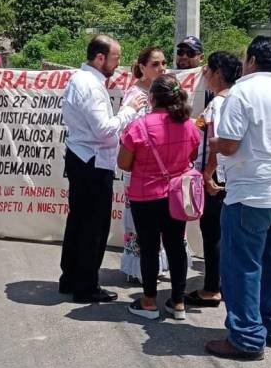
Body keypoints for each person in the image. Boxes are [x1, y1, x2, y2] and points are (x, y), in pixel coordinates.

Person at [205, 36, 271, 361]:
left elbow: (229, 145)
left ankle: (246, 337)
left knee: (242, 267)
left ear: (252, 60)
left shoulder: (242, 93)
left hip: (250, 194)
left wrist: (214, 144)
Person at [59, 35, 146, 304]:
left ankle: (71, 277)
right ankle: (86, 286)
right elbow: (104, 130)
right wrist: (129, 111)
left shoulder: (81, 79)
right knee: (93, 226)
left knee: (78, 222)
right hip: (93, 162)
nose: (118, 64)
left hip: (83, 157)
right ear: (100, 58)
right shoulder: (90, 85)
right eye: (115, 58)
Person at [117, 74, 201, 320]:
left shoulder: (139, 126)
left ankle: (149, 302)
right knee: (176, 247)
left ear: (151, 98)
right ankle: (178, 303)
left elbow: (123, 163)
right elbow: (192, 155)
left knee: (149, 248)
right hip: (177, 196)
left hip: (145, 197)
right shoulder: (189, 125)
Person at [185, 51, 242, 308]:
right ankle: (222, 283)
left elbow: (217, 143)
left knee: (212, 233)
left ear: (218, 73)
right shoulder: (231, 99)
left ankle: (212, 288)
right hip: (226, 175)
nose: (205, 74)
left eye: (207, 70)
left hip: (216, 177)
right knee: (219, 232)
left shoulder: (220, 103)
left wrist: (208, 174)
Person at [120, 47, 168, 283]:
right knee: (141, 222)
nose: (162, 68)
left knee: (162, 221)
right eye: (155, 64)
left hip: (162, 169)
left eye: (164, 63)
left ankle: (155, 266)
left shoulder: (162, 92)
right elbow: (127, 132)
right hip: (141, 168)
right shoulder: (136, 95)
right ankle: (141, 270)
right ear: (142, 67)